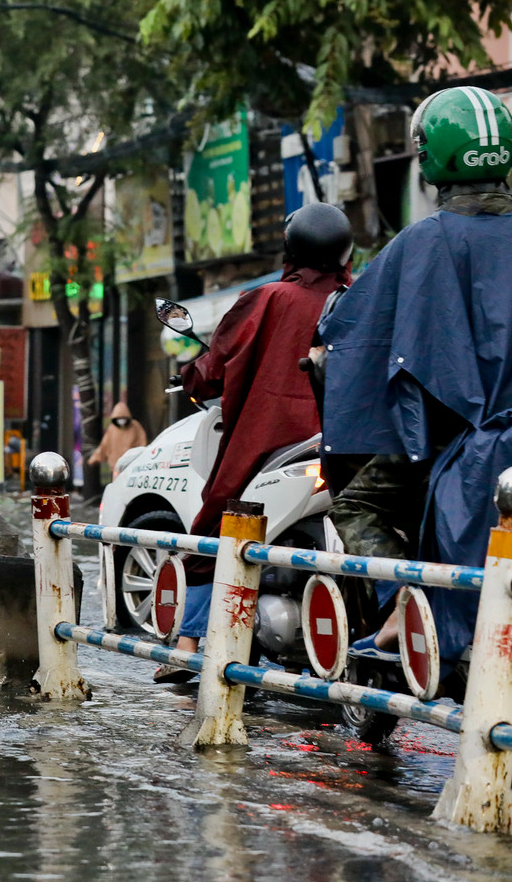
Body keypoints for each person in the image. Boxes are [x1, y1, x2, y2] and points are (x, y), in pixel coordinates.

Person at [322, 85, 512, 667]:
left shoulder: (421, 241)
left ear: (432, 156)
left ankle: (401, 612)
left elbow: (351, 322)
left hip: (458, 440)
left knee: (358, 507)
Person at [156, 201, 354, 682]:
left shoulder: (266, 299)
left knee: (214, 531)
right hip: (348, 447)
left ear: (292, 247)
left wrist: (194, 378)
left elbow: (215, 365)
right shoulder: (360, 298)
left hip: (265, 446)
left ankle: (190, 643)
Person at [87, 402, 148, 472]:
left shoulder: (135, 426)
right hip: (115, 467)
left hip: (131, 465)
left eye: (123, 418)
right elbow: (104, 445)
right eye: (119, 418)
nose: (121, 421)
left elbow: (142, 442)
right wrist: (94, 458)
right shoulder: (112, 429)